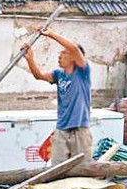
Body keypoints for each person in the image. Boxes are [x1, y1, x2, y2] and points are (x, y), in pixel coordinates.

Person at [22, 28, 92, 165]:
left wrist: (51, 34)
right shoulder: (58, 74)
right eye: (60, 53)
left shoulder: (83, 71)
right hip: (61, 128)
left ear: (74, 58)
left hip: (80, 128)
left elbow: (73, 48)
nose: (60, 56)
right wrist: (30, 59)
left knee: (83, 168)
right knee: (58, 167)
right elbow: (39, 76)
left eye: (64, 53)